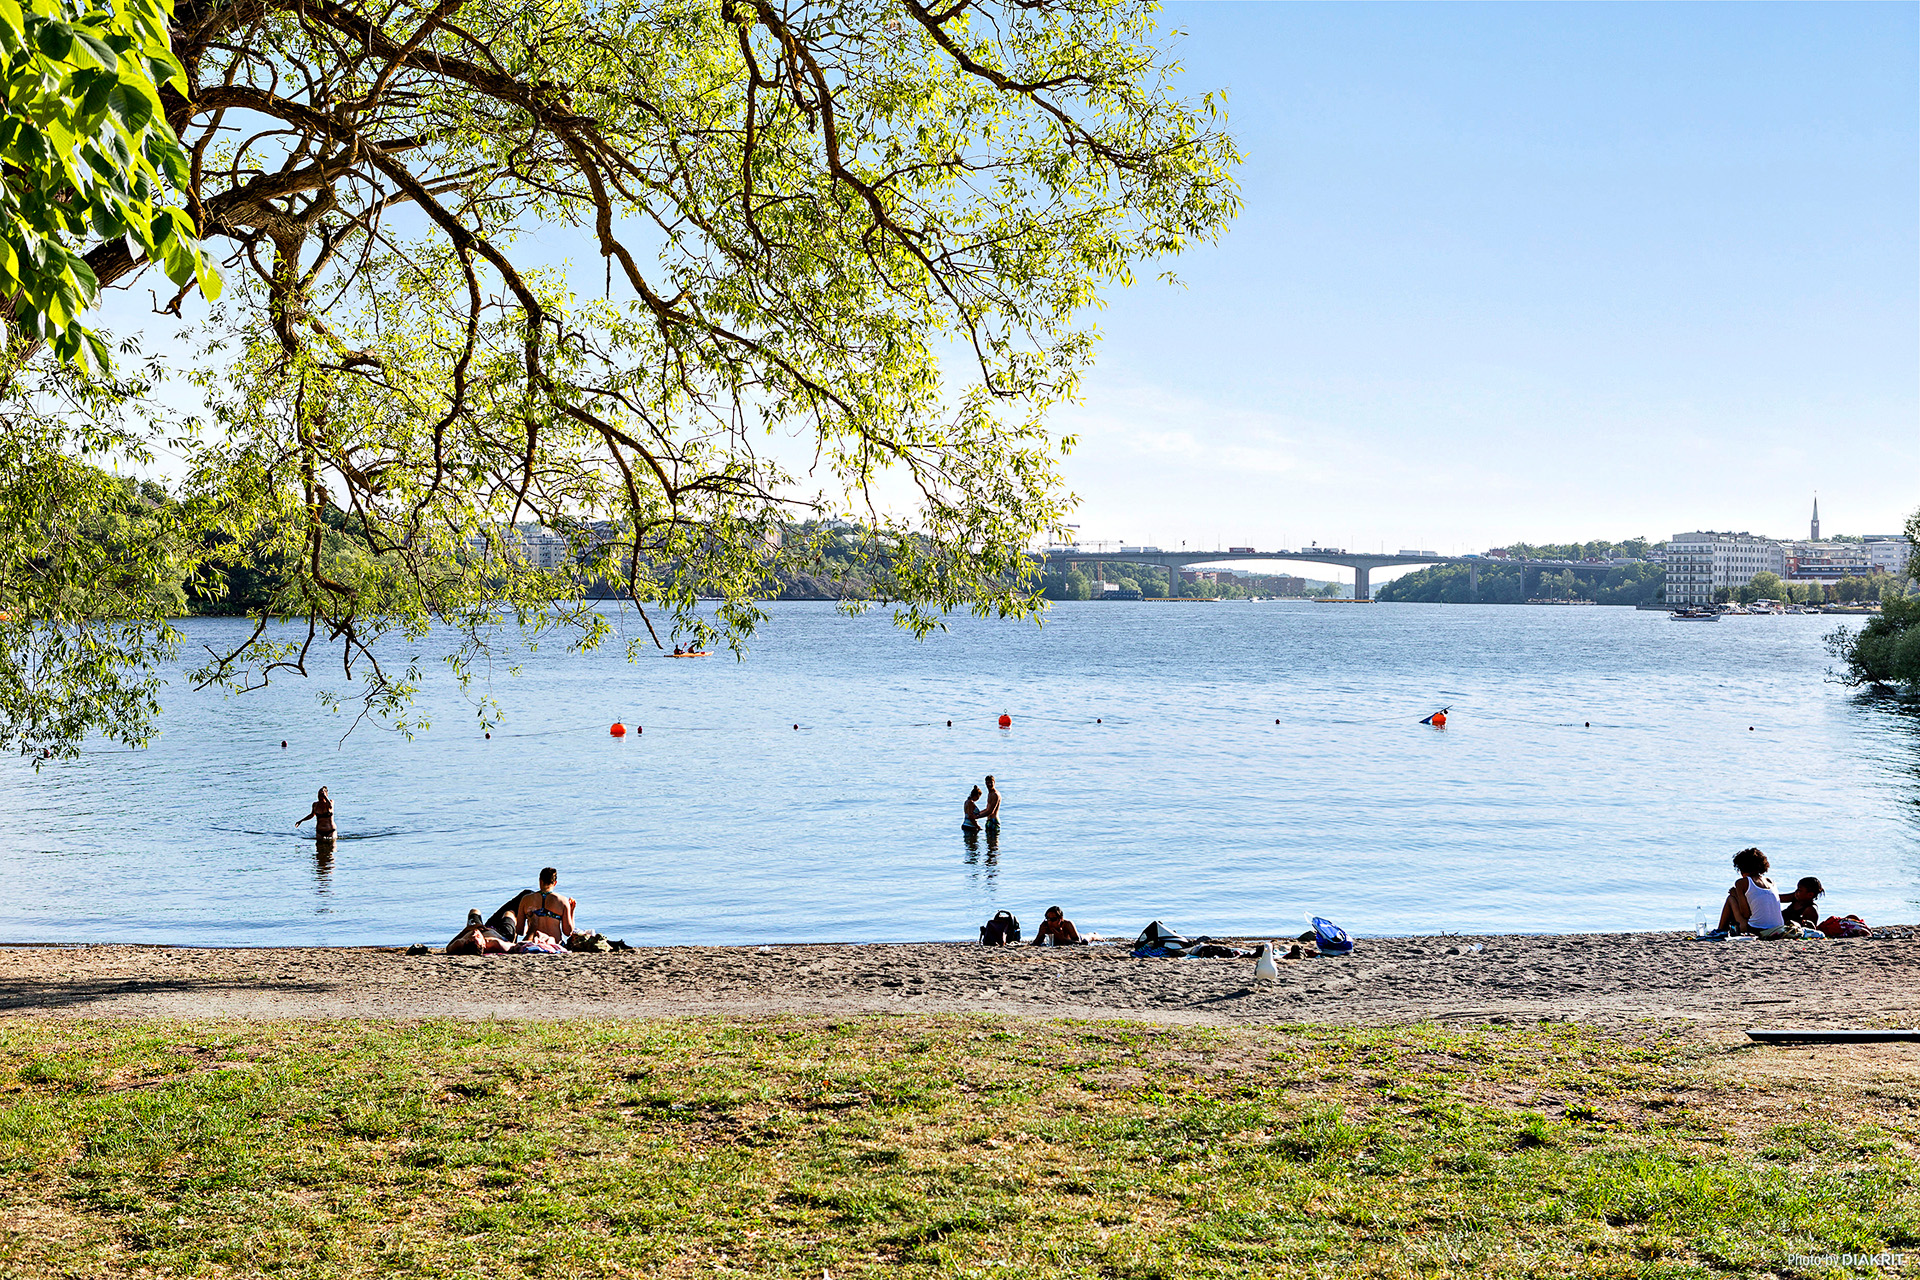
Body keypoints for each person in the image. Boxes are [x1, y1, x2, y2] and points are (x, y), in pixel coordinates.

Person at [1714, 847, 1788, 938]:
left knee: (1731, 899)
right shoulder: (1770, 881)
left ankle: (1720, 930)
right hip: (1777, 928)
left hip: (1755, 929)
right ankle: (1723, 930)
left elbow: (1746, 914)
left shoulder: (1742, 883)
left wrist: (1736, 894)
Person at [506, 867, 577, 943]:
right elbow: (568, 932)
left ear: (540, 880)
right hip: (555, 944)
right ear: (555, 883)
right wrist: (572, 910)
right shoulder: (562, 900)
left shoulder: (526, 899)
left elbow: (520, 930)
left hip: (534, 942)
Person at [447, 909, 513, 955]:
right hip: (501, 933)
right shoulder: (496, 943)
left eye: (472, 936)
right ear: (484, 944)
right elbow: (515, 946)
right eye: (478, 936)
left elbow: (448, 947)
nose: (475, 932)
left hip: (476, 927)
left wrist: (467, 929)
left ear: (466, 941)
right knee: (509, 913)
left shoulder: (460, 943)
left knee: (474, 911)